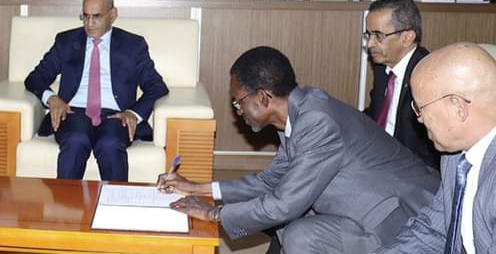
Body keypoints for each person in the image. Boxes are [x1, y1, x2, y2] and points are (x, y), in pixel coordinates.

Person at [158, 46, 439, 254]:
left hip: (397, 223)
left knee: (300, 234)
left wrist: (213, 214)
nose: (238, 111)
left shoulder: (317, 122)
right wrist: (198, 188)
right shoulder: (301, 111)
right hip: (365, 204)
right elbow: (270, 181)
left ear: (263, 97)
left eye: (238, 102)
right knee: (288, 223)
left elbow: (283, 203)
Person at [25, 0, 168, 181]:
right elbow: (35, 78)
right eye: (85, 16)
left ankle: (115, 199)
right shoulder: (66, 41)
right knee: (76, 140)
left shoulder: (133, 45)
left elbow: (156, 86)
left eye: (97, 17)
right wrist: (51, 98)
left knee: (110, 143)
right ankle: (65, 200)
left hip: (116, 115)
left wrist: (133, 113)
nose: (89, 23)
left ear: (112, 15)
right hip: (72, 112)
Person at [373, 43, 496, 254]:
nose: (419, 119)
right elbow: (433, 232)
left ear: (458, 107)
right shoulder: (455, 158)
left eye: (420, 108)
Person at [363, 0, 440, 170]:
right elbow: (376, 115)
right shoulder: (383, 67)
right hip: (380, 157)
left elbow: (430, 147)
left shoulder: (429, 76)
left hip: (414, 168)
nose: (370, 44)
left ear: (407, 37)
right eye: (368, 35)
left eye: (378, 36)